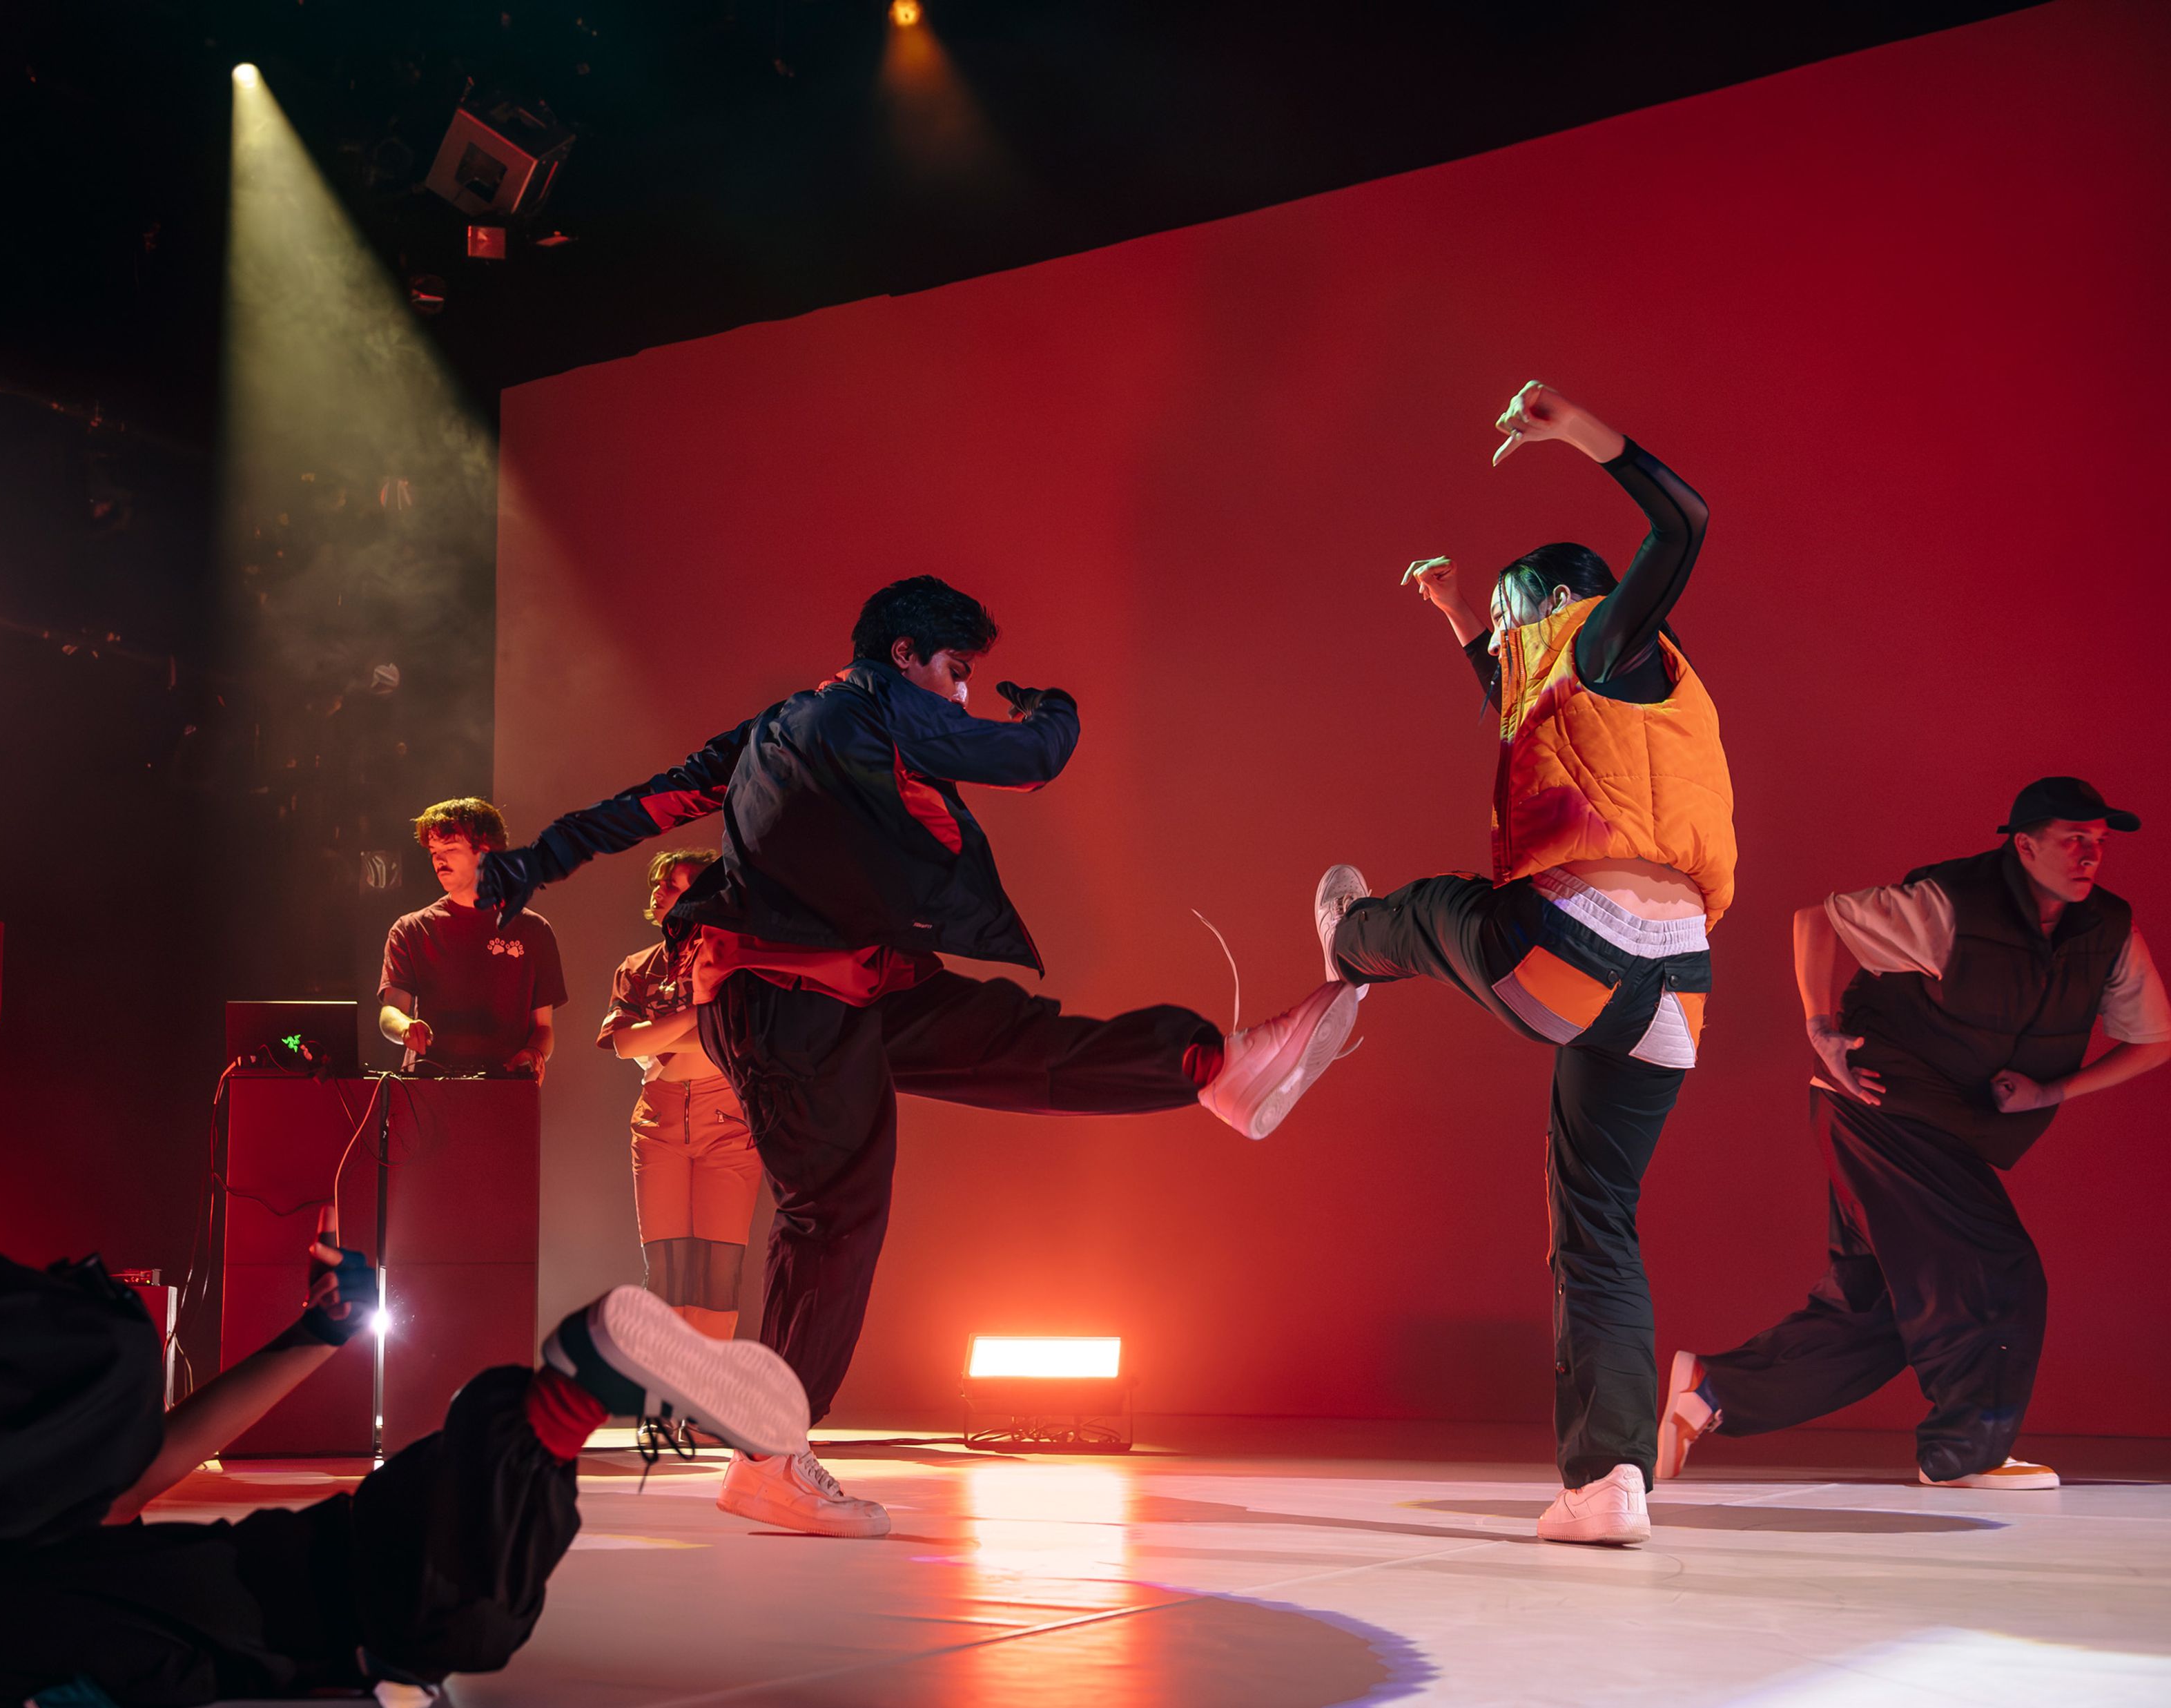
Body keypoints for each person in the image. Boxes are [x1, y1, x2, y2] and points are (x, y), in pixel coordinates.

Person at [474, 574, 1356, 1537]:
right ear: (904, 656)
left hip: (860, 987)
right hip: (787, 999)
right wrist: (1048, 706)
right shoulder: (876, 705)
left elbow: (649, 806)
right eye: (956, 671)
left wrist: (532, 864)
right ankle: (768, 1455)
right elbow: (1034, 757)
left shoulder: (781, 726)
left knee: (1017, 1043)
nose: (963, 694)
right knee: (835, 1211)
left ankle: (1213, 1071)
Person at [0, 1072, 811, 1708]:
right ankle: (563, 1396)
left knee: (325, 1598)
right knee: (275, 1567)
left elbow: (125, 1479)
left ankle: (561, 1401)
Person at [1313, 381, 1729, 1549]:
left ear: (1544, 608)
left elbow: (1685, 523)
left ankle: (1348, 942)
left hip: (1573, 949)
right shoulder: (1622, 690)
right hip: (1676, 985)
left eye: (1502, 628)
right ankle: (1607, 1485)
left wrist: (1582, 433)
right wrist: (1454, 614)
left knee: (1449, 908)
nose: (1499, 656)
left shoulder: (1607, 633)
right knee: (1599, 1223)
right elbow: (1520, 704)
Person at [1659, 779, 2169, 1492]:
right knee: (1996, 1268)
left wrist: (2052, 1090)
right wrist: (1821, 1027)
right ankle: (1964, 1453)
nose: (2090, 855)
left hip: (1946, 1124)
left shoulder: (2106, 929)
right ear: (2024, 846)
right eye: (2072, 840)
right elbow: (1819, 919)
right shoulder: (1952, 904)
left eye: (2100, 841)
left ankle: (1714, 1391)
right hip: (1878, 1106)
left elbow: (2154, 1037)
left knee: (1884, 1303)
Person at [599, 847, 763, 1339]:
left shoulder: (736, 963)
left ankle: (702, 1398)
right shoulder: (637, 966)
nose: (660, 890)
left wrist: (665, 1030)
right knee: (666, 1269)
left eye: (675, 884)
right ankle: (664, 1400)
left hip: (728, 1120)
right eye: (660, 883)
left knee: (719, 1268)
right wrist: (699, 1019)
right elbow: (625, 1044)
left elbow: (731, 1039)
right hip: (657, 1122)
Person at [378, 797, 565, 1080]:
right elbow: (391, 1010)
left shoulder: (533, 930)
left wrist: (534, 1053)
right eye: (434, 851)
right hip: (429, 1089)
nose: (439, 860)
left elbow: (544, 1028)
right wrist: (406, 1027)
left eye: (450, 849)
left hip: (505, 1087)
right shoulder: (411, 929)